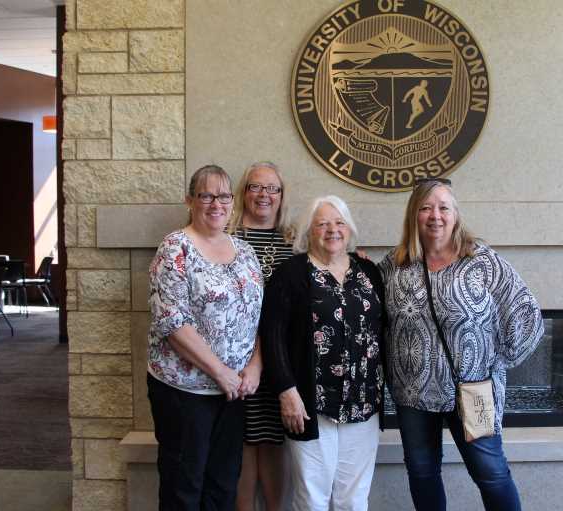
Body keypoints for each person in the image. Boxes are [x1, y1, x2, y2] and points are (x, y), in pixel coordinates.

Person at [379, 178, 544, 511]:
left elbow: (526, 313)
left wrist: (496, 362)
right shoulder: (394, 266)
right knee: (422, 472)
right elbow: (366, 303)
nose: (435, 215)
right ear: (413, 215)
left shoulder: (482, 261)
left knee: (491, 473)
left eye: (443, 207)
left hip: (472, 391)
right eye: (425, 207)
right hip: (414, 392)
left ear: (455, 215)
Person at [147, 164, 264, 511]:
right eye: (207, 195)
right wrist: (220, 372)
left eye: (224, 196)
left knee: (224, 484)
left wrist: (254, 367)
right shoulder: (174, 249)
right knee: (184, 486)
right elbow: (172, 322)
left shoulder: (245, 251)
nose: (217, 204)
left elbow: (258, 316)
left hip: (234, 392)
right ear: (190, 200)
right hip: (185, 392)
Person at [260, 195, 385, 511]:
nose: (333, 230)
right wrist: (287, 391)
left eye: (339, 222)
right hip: (310, 405)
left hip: (363, 402)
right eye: (323, 224)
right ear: (309, 231)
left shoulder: (369, 271)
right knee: (313, 496)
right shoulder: (290, 274)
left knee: (354, 497)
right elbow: (272, 335)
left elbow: (384, 329)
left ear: (349, 228)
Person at [228, 162, 294, 511]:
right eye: (256, 187)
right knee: (242, 441)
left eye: (273, 189)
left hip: (278, 360)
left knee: (272, 440)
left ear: (282, 197)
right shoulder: (226, 238)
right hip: (234, 362)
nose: (264, 195)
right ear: (243, 192)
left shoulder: (293, 242)